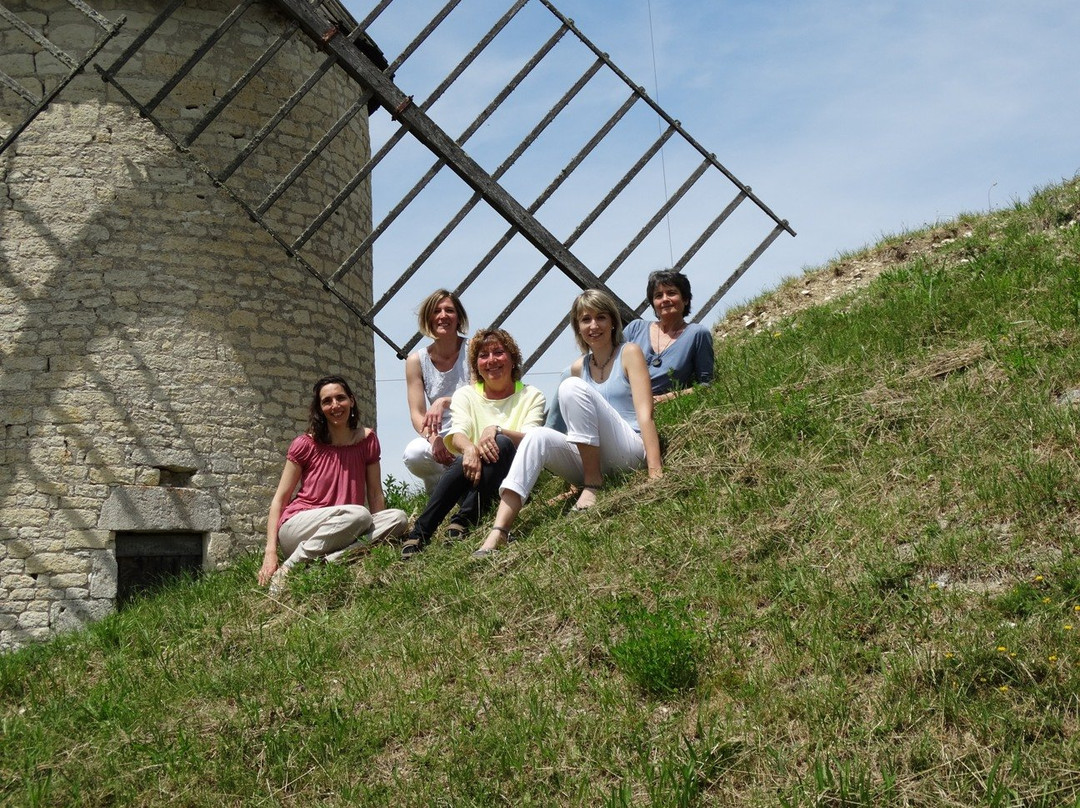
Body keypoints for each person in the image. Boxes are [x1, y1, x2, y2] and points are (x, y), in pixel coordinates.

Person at [472, 290, 663, 558]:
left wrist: (655, 472)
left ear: (612, 323)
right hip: (595, 459)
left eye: (601, 317)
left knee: (571, 388)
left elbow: (645, 414)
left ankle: (593, 485)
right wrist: (500, 430)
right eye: (586, 319)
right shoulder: (577, 368)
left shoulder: (629, 353)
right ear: (577, 327)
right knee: (538, 435)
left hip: (628, 450)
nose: (593, 326)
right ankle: (499, 531)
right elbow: (563, 431)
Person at [400, 327, 546, 559]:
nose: (491, 361)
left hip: (513, 476)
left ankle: (462, 519)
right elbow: (458, 433)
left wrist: (496, 430)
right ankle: (422, 531)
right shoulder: (466, 395)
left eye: (498, 352)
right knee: (472, 452)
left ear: (513, 357)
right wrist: (469, 448)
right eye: (483, 355)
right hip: (474, 476)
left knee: (503, 443)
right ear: (476, 364)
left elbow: (533, 439)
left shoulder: (532, 395)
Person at [258, 375, 409, 594]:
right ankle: (290, 567)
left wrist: (381, 533)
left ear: (352, 400)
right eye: (327, 401)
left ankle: (330, 561)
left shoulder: (367, 440)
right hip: (300, 526)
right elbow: (280, 499)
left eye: (340, 398)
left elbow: (375, 494)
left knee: (398, 518)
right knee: (359, 514)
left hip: (347, 526)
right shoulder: (305, 444)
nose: (335, 405)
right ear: (320, 409)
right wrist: (270, 551)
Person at [402, 290, 471, 494]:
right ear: (428, 319)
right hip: (439, 435)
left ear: (458, 318)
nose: (442, 316)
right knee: (414, 453)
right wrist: (434, 440)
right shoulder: (416, 361)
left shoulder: (473, 348)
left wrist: (444, 401)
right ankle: (440, 492)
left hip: (470, 429)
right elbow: (417, 412)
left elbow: (478, 395)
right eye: (436, 311)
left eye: (449, 310)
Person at [623, 268, 714, 402]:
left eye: (671, 293)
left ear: (686, 299)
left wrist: (664, 398)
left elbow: (706, 385)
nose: (665, 299)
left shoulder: (697, 334)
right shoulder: (635, 328)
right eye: (658, 296)